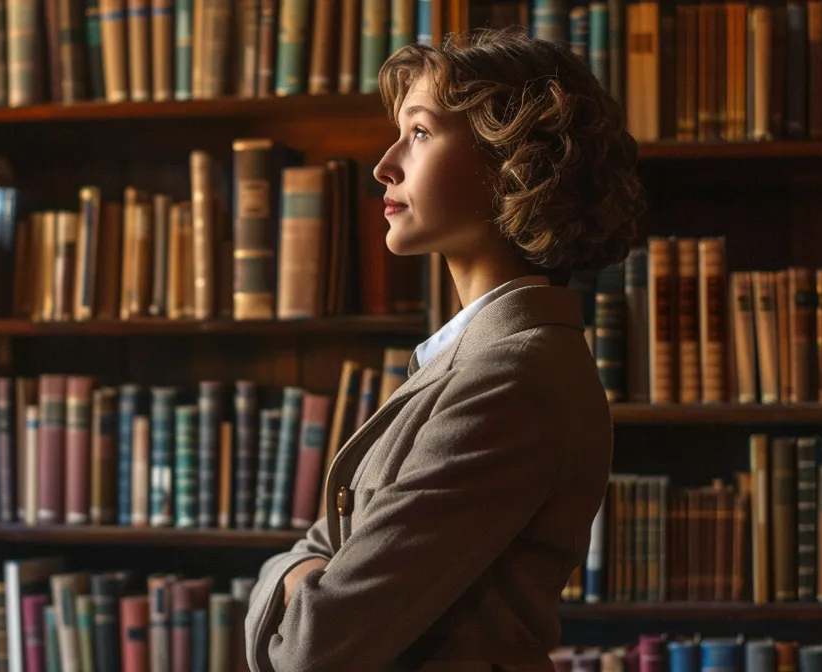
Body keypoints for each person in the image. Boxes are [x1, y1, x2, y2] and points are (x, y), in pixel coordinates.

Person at [242, 27, 645, 672]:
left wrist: (294, 578)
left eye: (421, 133)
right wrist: (307, 573)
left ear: (512, 160)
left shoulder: (513, 375)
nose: (384, 164)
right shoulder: (473, 360)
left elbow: (314, 646)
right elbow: (324, 554)